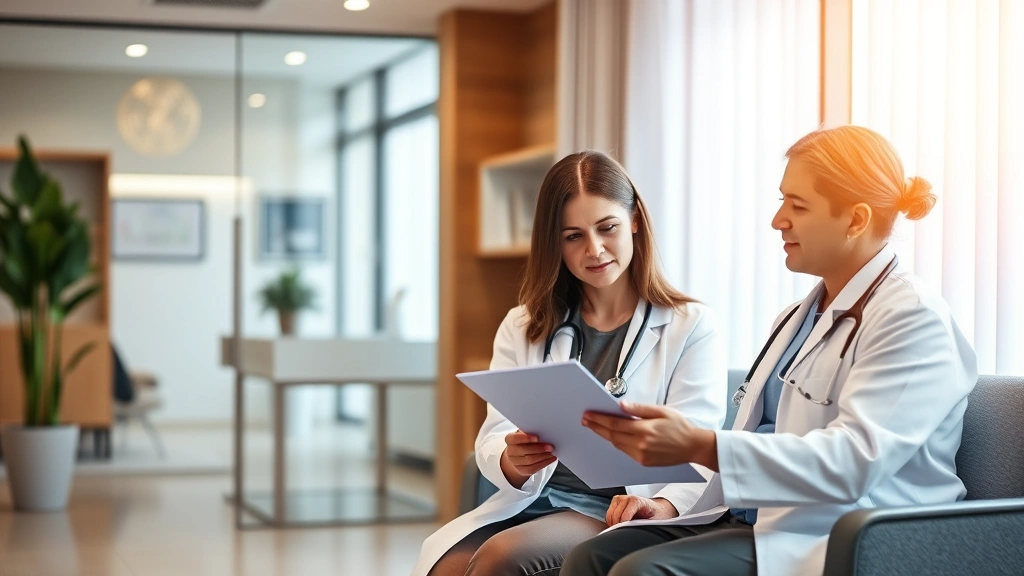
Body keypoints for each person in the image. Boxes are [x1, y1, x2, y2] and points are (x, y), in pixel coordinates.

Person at [562, 126, 978, 576]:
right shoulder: (797, 318)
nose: (778, 220)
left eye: (797, 205)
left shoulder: (912, 317)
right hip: (761, 520)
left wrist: (699, 444)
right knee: (591, 556)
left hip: (853, 536)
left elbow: (852, 463)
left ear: (856, 220)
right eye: (782, 201)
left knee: (640, 571)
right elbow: (760, 439)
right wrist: (666, 504)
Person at [412, 150, 727, 576]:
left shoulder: (690, 326)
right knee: (444, 567)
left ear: (634, 220)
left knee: (499, 560)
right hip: (532, 499)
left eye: (607, 227)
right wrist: (511, 460)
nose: (594, 250)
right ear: (554, 243)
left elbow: (700, 445)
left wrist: (662, 504)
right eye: (573, 236)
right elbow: (494, 435)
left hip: (615, 509)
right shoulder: (524, 325)